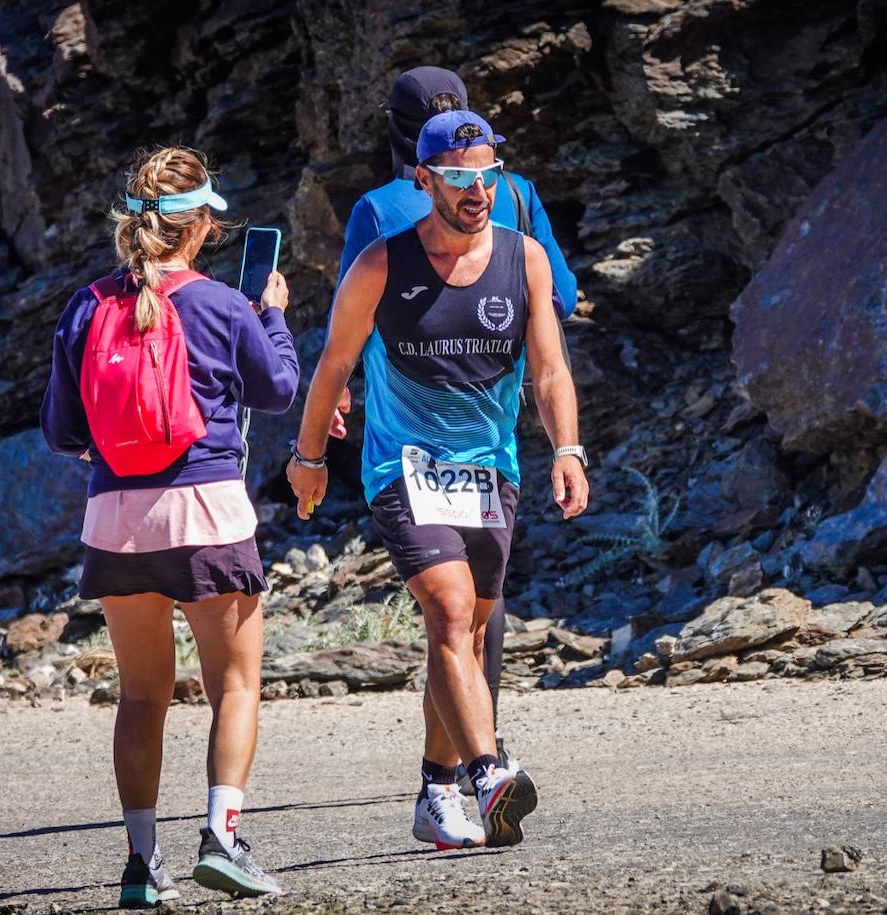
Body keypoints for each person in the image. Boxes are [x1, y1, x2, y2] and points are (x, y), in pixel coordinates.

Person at [288, 111, 589, 850]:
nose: (477, 190)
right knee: (451, 610)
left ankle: (435, 785)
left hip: (491, 468)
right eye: (459, 178)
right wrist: (308, 459)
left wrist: (568, 447)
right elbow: (332, 365)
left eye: (487, 175)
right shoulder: (381, 265)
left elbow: (549, 368)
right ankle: (488, 773)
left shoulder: (525, 259)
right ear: (423, 180)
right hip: (403, 464)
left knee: (468, 628)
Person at [40, 147, 298, 905]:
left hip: (115, 522)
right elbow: (278, 388)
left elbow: (60, 430)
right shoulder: (222, 304)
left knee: (141, 696)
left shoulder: (85, 305)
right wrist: (272, 311)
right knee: (236, 684)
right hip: (208, 514)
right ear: (202, 226)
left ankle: (140, 865)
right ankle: (221, 837)